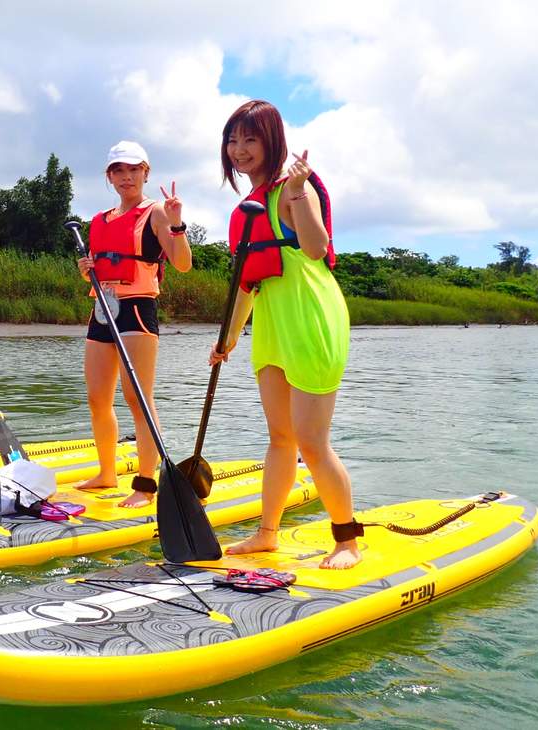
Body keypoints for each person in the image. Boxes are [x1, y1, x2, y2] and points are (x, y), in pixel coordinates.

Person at [209, 99, 359, 569]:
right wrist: (227, 340)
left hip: (312, 317)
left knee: (312, 439)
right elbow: (246, 284)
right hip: (273, 325)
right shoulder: (246, 210)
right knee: (280, 437)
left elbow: (315, 248)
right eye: (233, 140)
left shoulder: (295, 188)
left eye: (250, 139)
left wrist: (296, 192)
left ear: (272, 140)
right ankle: (267, 534)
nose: (239, 149)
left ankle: (347, 541)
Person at [75, 141, 192, 508]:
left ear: (145, 172)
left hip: (137, 307)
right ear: (110, 177)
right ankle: (106, 473)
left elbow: (182, 263)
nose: (126, 177)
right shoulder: (99, 220)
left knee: (137, 397)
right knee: (97, 398)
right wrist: (86, 270)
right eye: (119, 171)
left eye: (133, 170)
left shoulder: (155, 212)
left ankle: (145, 484)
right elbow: (95, 269)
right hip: (102, 308)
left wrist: (177, 224)